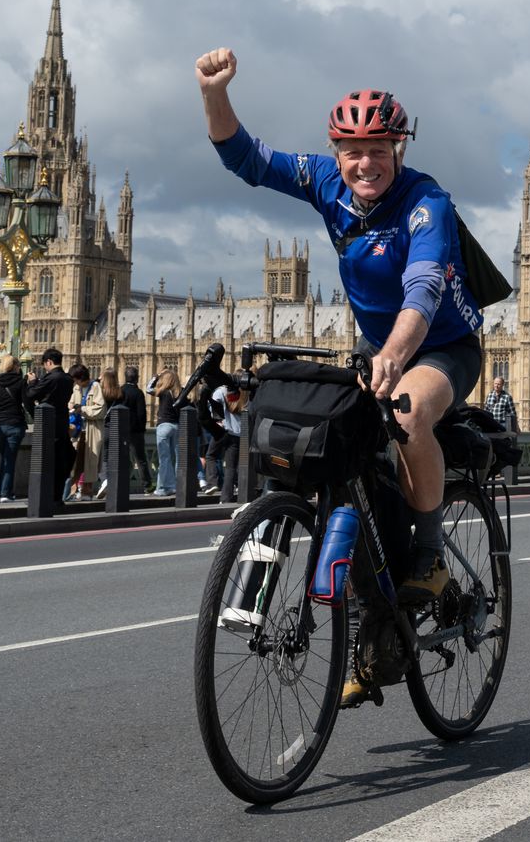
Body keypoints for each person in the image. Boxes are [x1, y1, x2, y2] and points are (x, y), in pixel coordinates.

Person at [197, 47, 483, 615]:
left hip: (442, 345)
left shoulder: (428, 205)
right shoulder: (324, 180)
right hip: (376, 344)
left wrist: (397, 354)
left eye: (378, 150)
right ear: (338, 153)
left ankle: (428, 557)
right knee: (331, 443)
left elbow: (423, 289)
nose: (365, 164)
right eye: (353, 152)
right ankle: (369, 611)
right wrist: (214, 92)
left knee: (405, 413)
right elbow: (246, 159)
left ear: (398, 149)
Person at [24, 347, 76, 502]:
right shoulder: (68, 379)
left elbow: (31, 394)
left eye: (44, 364)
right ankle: (57, 496)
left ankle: (42, 495)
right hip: (62, 422)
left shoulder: (51, 378)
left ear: (49, 362)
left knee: (46, 460)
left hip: (47, 423)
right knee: (61, 460)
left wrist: (33, 382)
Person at [0, 355, 30, 502]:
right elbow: (27, 402)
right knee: (9, 460)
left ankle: (2, 491)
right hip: (14, 425)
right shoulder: (20, 383)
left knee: (5, 459)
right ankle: (5, 494)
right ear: (15, 367)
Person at [119, 366, 153, 493]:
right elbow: (141, 414)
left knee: (123, 458)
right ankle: (147, 485)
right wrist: (141, 429)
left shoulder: (120, 390)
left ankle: (121, 483)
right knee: (140, 459)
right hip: (135, 431)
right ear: (137, 378)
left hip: (121, 430)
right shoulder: (138, 393)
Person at [64, 364, 94, 500]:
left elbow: (100, 409)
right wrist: (71, 407)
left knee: (88, 462)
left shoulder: (95, 387)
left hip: (89, 429)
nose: (74, 382)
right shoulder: (76, 388)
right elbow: (70, 403)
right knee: (74, 462)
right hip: (76, 429)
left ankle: (85, 490)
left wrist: (83, 409)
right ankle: (72, 491)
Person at [211, 383, 246, 502]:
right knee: (231, 467)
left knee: (210, 455)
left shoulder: (221, 391)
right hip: (238, 433)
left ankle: (211, 483)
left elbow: (214, 403)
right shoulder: (242, 394)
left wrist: (216, 419)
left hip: (224, 430)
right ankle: (227, 498)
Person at [92, 369, 123, 499]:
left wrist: (97, 381)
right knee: (112, 458)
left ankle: (105, 480)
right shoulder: (120, 393)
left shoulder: (100, 391)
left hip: (102, 428)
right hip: (116, 430)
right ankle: (112, 484)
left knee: (101, 459)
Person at [149, 369, 180, 496]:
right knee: (175, 459)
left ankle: (162, 488)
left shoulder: (162, 392)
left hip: (164, 426)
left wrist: (157, 376)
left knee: (164, 459)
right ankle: (174, 486)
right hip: (176, 426)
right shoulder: (179, 392)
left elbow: (148, 388)